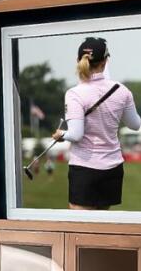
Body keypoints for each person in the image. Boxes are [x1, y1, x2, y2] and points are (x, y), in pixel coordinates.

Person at [49, 35, 135, 210]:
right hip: (113, 167)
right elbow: (135, 124)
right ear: (105, 62)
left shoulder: (74, 93)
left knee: (80, 232)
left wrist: (61, 135)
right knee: (101, 229)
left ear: (78, 60)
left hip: (84, 168)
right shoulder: (122, 90)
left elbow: (76, 134)